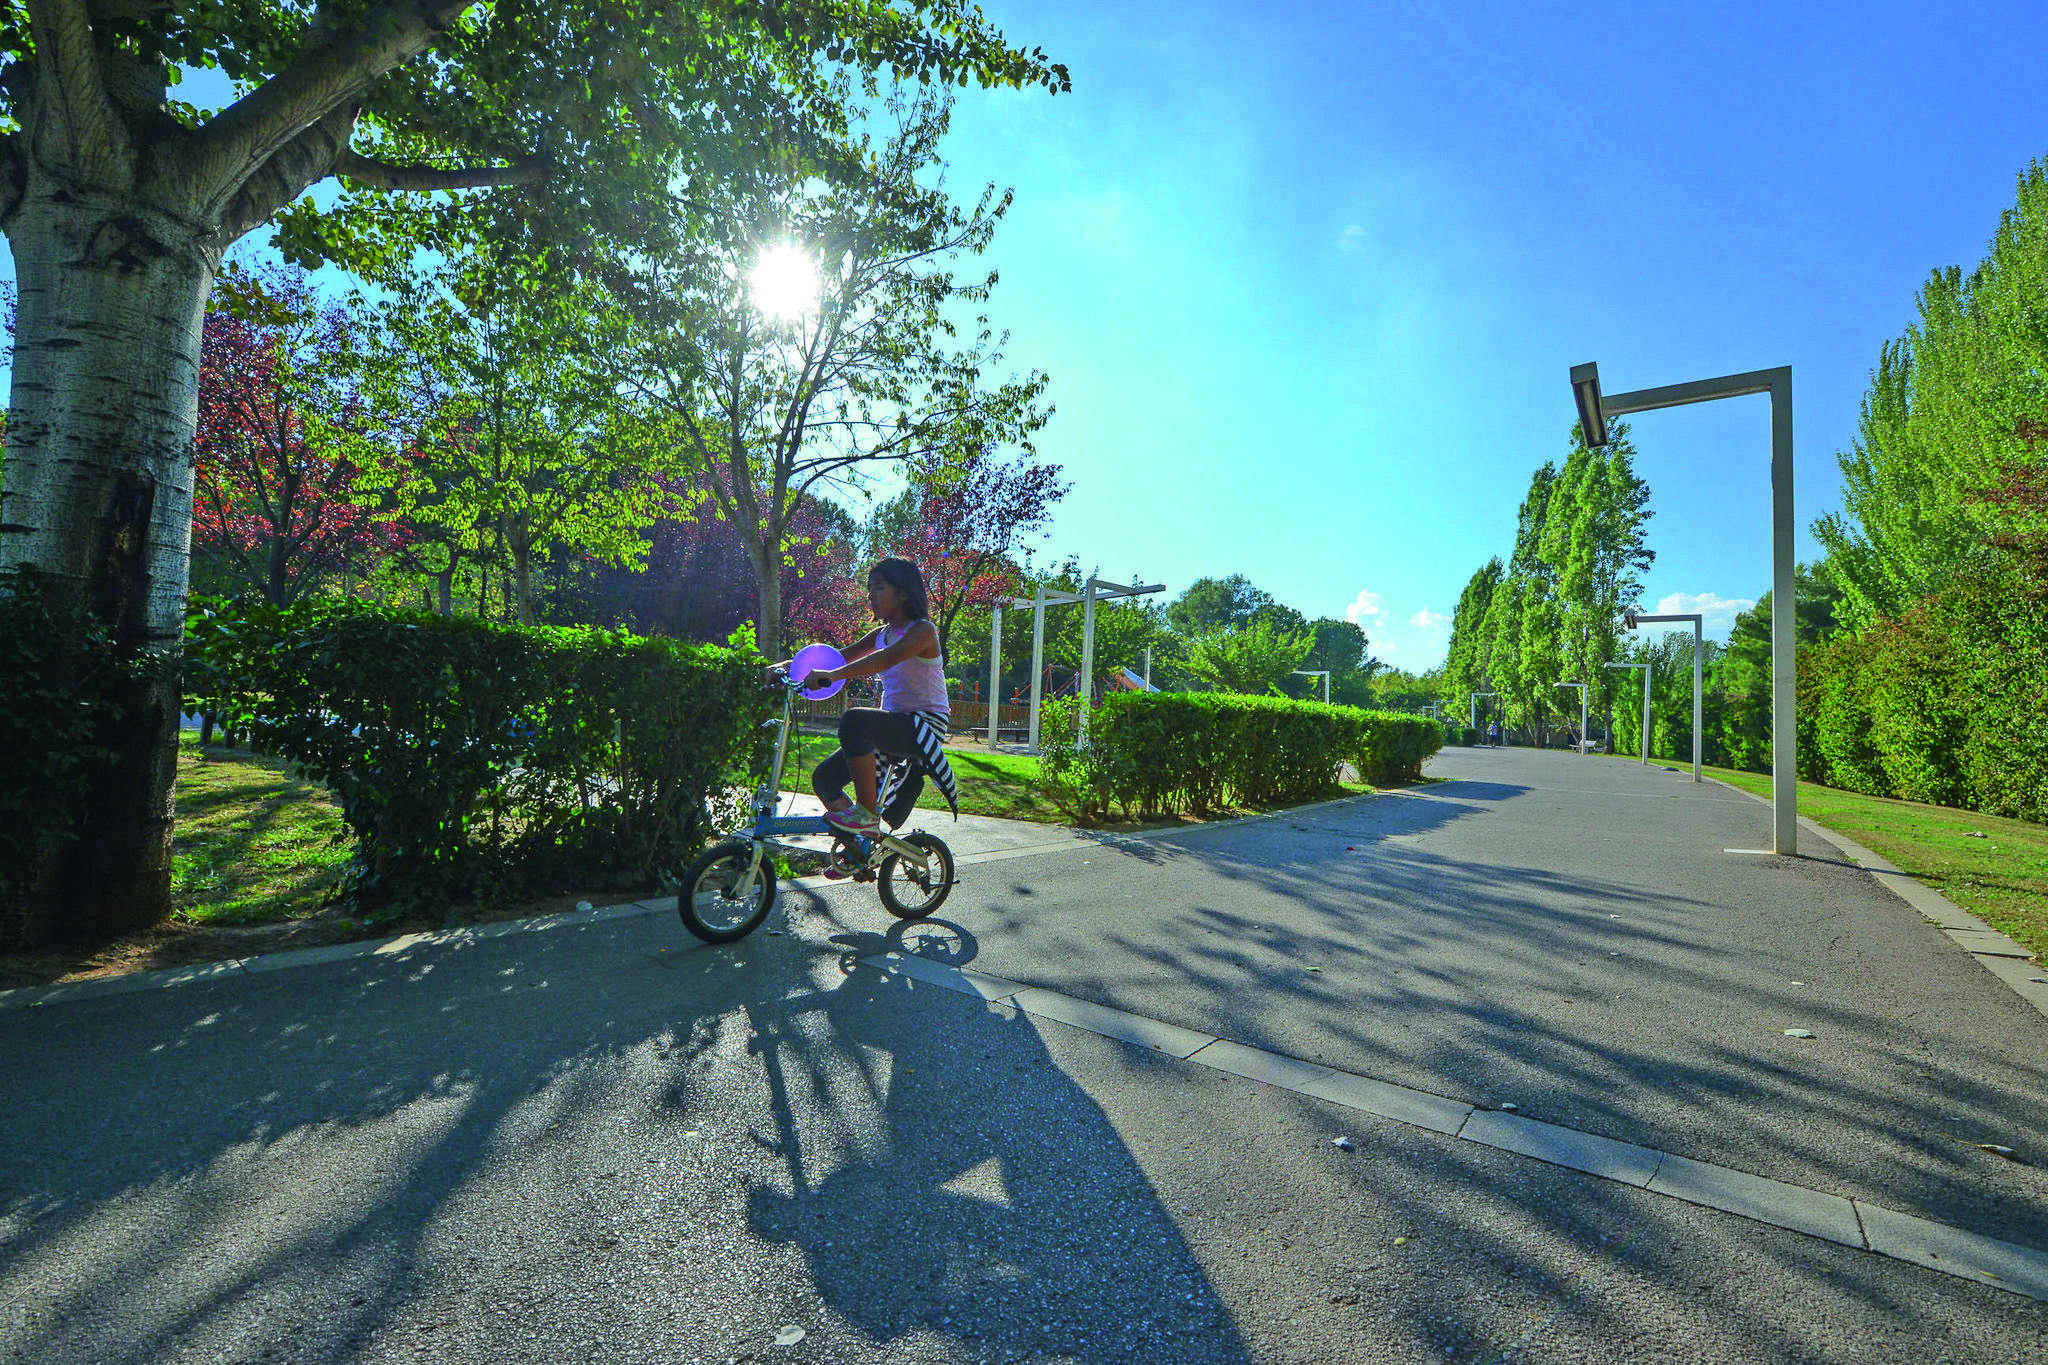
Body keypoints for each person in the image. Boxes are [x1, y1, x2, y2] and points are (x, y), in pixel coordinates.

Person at [779, 558, 958, 851]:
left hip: (926, 725)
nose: (870, 596)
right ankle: (860, 849)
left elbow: (886, 659)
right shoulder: (881, 635)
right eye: (869, 589)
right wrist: (789, 666)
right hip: (892, 724)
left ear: (902, 593)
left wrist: (833, 675)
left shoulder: (923, 631)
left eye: (878, 588)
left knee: (854, 721)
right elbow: (837, 658)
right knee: (824, 779)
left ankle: (866, 814)